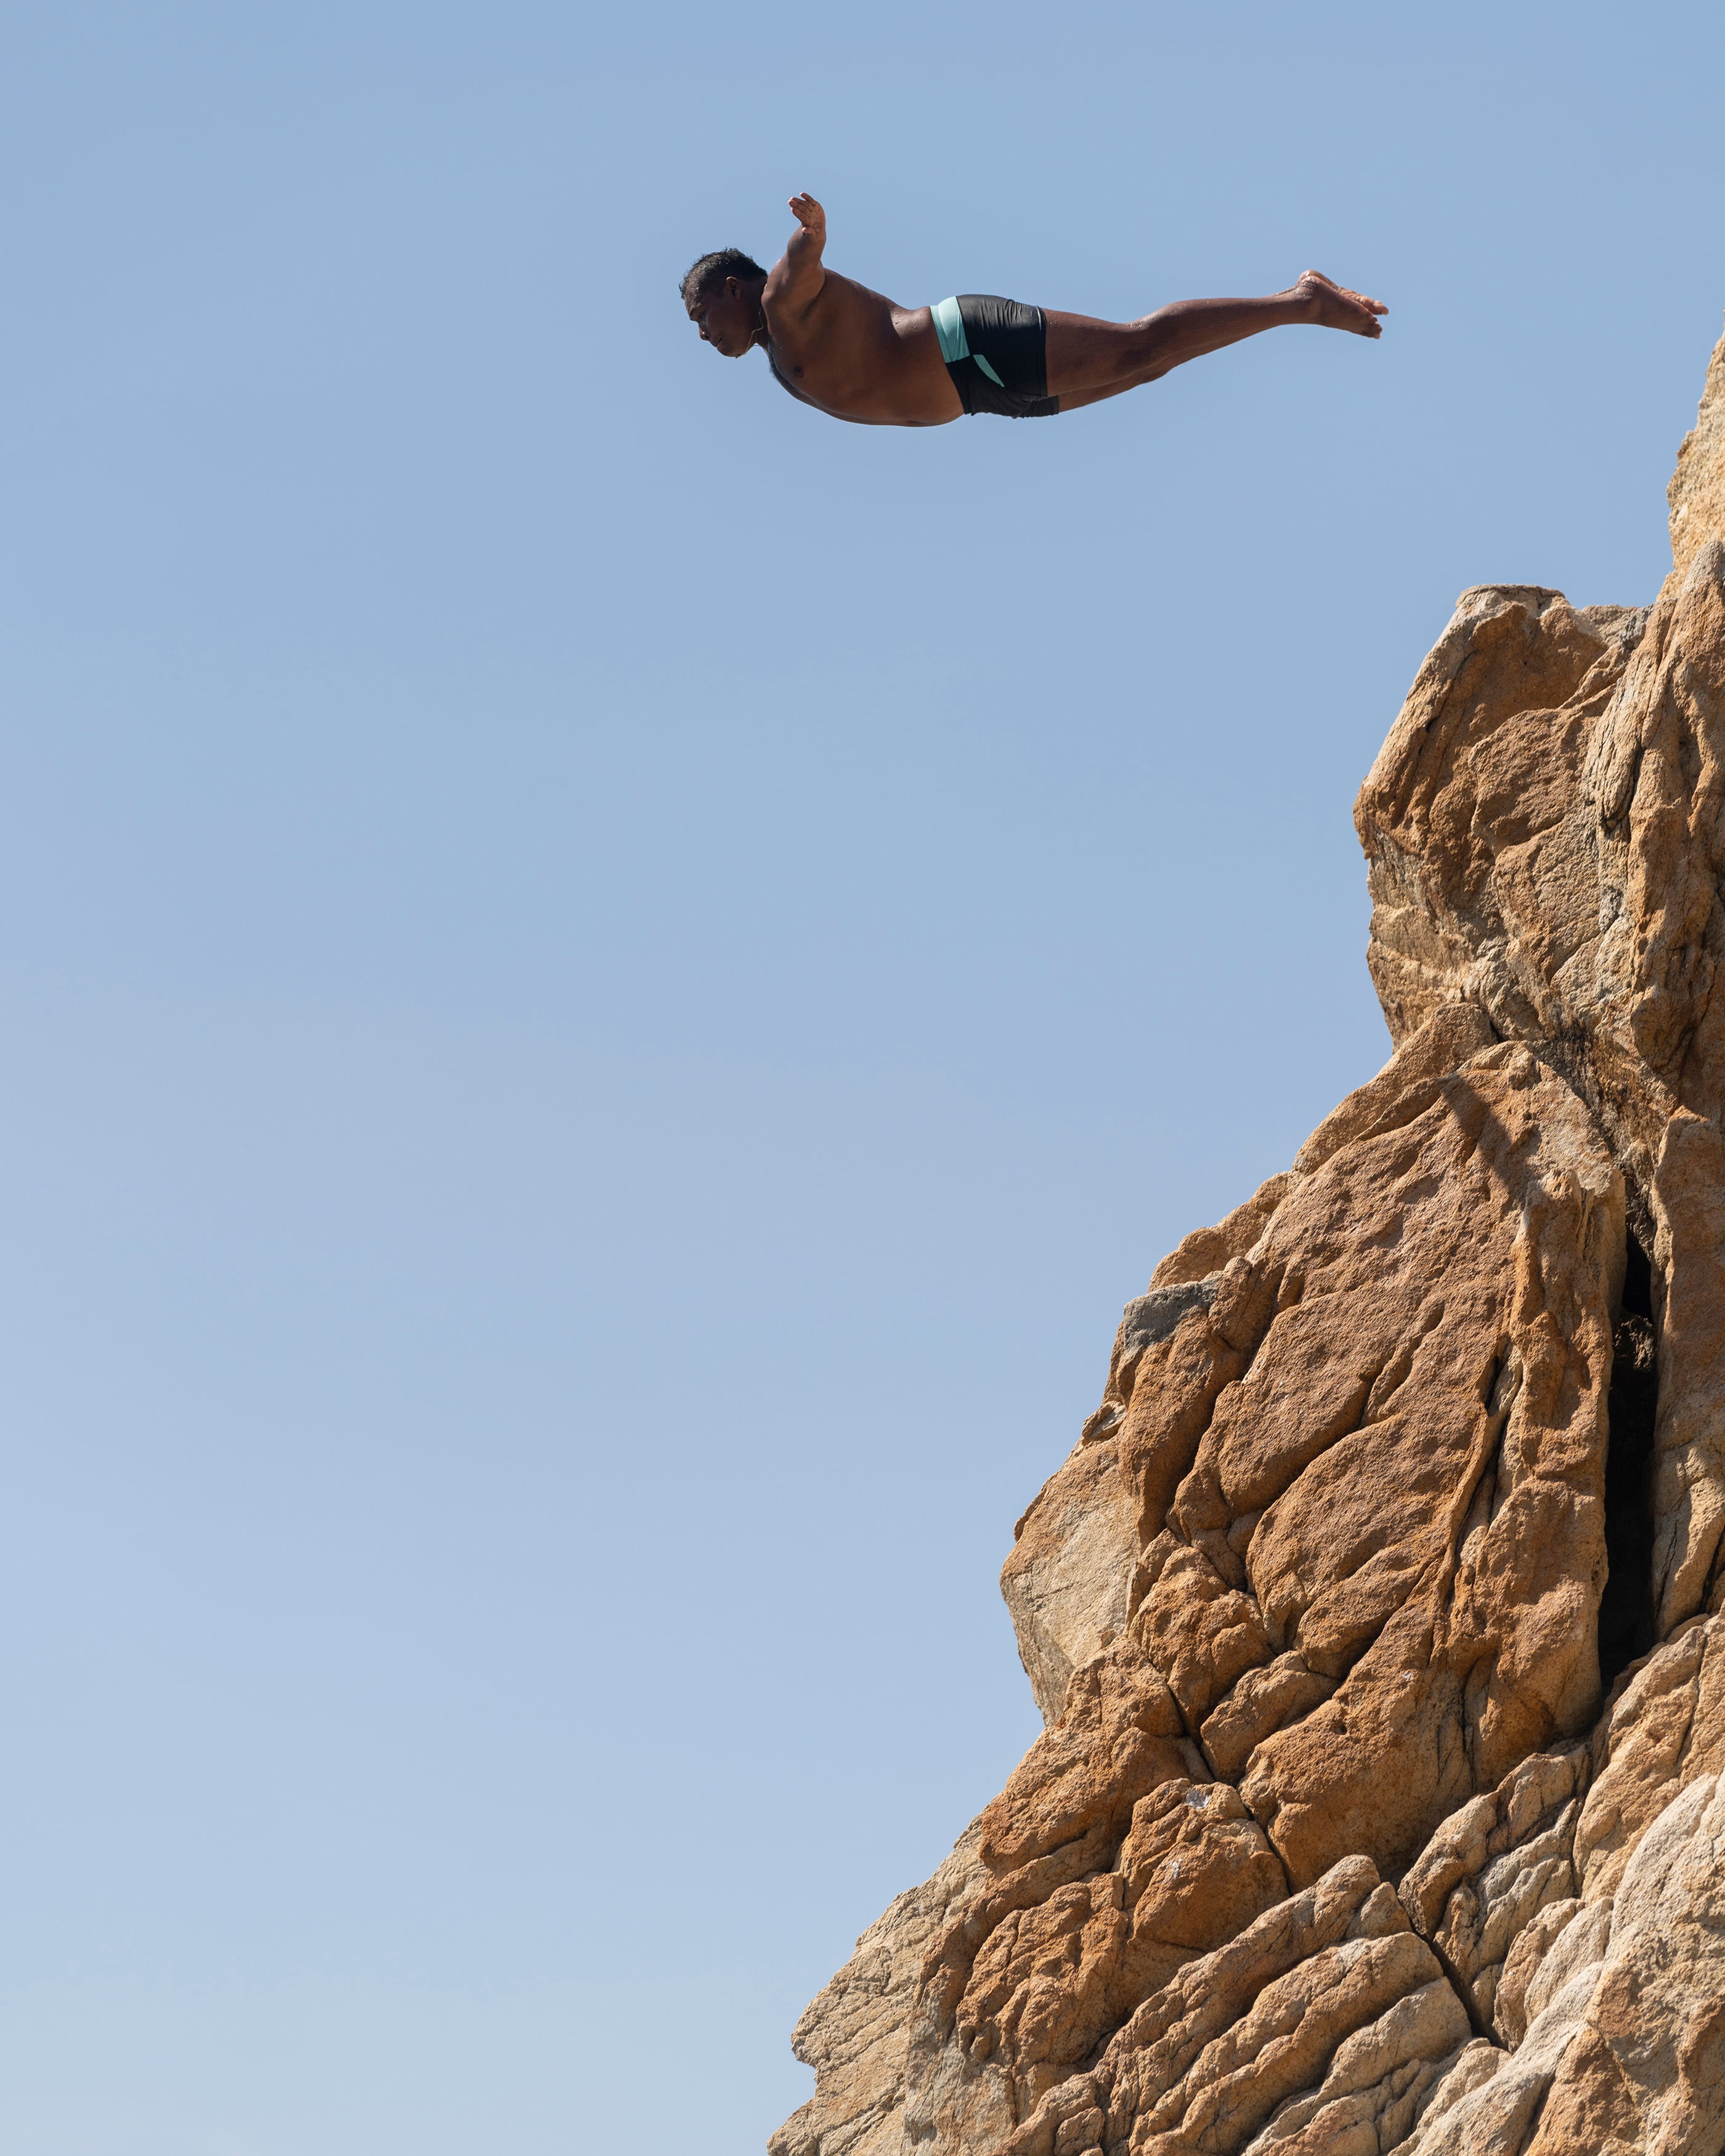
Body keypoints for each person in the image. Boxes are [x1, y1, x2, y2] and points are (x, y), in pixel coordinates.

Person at [682, 194, 1385, 428]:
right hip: (980, 394)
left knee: (1139, 345)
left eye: (701, 315)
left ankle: (1300, 301)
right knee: (1148, 371)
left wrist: (813, 231)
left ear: (732, 289)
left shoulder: (778, 298)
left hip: (961, 345)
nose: (703, 334)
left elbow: (803, 260)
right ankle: (1298, 307)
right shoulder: (774, 353)